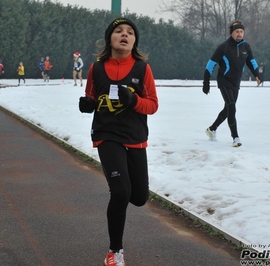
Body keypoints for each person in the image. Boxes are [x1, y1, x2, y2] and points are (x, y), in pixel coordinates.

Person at [79, 18, 158, 266]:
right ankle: (115, 252)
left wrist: (133, 102)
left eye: (130, 32)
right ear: (109, 38)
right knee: (121, 192)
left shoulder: (143, 69)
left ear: (134, 41)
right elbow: (90, 96)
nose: (124, 35)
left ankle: (116, 245)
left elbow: (153, 105)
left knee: (138, 197)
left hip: (135, 138)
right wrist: (87, 104)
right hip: (107, 135)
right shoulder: (97, 68)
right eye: (118, 31)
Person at [202, 20, 261, 147]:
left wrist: (257, 74)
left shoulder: (246, 46)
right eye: (237, 32)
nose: (239, 34)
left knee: (228, 108)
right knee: (232, 107)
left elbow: (252, 61)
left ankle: (212, 129)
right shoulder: (223, 47)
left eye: (241, 32)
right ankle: (235, 137)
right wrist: (206, 83)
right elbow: (210, 65)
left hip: (236, 82)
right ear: (232, 33)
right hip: (224, 81)